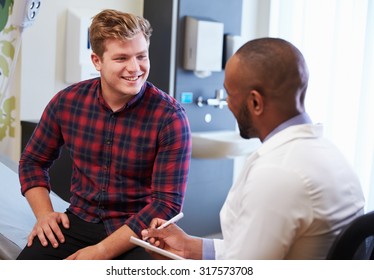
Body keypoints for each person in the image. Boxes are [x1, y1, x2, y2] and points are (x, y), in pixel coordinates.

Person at [141, 37, 365, 260]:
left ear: (255, 102)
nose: (227, 103)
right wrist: (189, 247)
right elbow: (254, 250)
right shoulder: (330, 154)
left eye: (229, 94)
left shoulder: (278, 172)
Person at [17, 9, 191, 260]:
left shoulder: (170, 117)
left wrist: (100, 252)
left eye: (141, 56)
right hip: (77, 222)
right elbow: (32, 161)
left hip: (139, 232)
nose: (135, 68)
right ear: (97, 61)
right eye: (121, 58)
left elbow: (166, 204)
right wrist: (45, 215)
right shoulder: (67, 102)